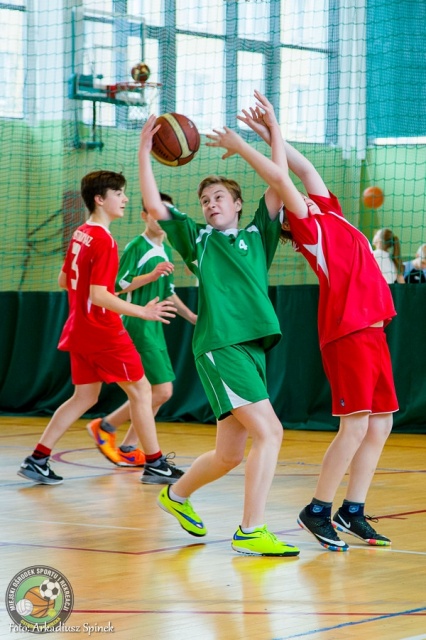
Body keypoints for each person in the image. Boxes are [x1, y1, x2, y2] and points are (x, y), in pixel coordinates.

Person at [207, 92, 398, 552]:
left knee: (381, 424)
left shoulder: (329, 213)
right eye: (299, 199)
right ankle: (317, 509)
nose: (306, 194)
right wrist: (252, 143)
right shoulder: (309, 227)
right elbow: (279, 176)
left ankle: (352, 510)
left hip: (373, 331)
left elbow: (304, 168)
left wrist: (271, 132)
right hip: (348, 332)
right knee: (354, 426)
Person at [136, 103, 300, 557]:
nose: (210, 205)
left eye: (218, 198)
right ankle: (251, 529)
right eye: (205, 201)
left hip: (252, 348)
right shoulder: (198, 240)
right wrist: (144, 153)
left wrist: (271, 131)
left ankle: (177, 494)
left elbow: (280, 181)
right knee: (270, 433)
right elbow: (155, 206)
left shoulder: (259, 234)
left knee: (229, 454)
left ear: (238, 204)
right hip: (220, 345)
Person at [18, 170, 183, 486]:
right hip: (102, 329)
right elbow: (100, 295)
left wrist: (116, 287)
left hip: (79, 327)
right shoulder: (105, 240)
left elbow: (64, 280)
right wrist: (142, 311)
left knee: (84, 397)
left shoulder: (80, 233)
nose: (125, 199)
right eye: (118, 193)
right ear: (99, 199)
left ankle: (37, 459)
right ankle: (155, 464)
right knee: (142, 390)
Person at [87, 193, 197, 468]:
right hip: (137, 325)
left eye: (164, 214)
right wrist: (151, 275)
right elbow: (116, 285)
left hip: (154, 327)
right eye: (154, 213)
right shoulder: (136, 246)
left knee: (154, 392)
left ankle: (127, 445)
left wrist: (191, 316)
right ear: (144, 216)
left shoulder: (167, 250)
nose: (159, 219)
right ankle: (108, 427)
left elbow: (168, 292)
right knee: (161, 392)